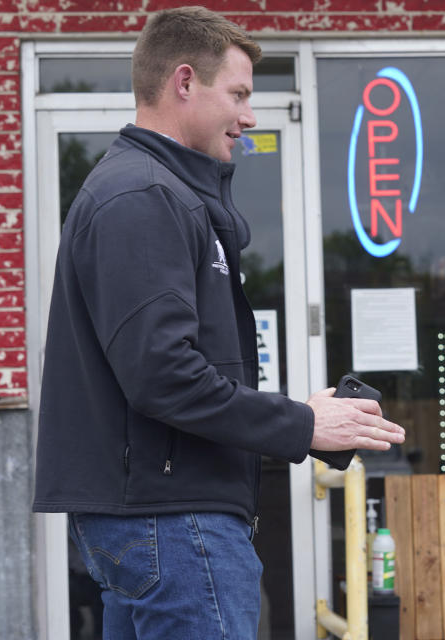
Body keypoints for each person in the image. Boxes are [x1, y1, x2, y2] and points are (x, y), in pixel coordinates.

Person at [32, 7, 404, 639]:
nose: (249, 116)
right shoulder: (144, 198)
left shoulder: (153, 192)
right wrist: (305, 423)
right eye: (238, 94)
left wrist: (299, 423)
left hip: (159, 517)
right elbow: (164, 377)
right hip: (174, 524)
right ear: (184, 82)